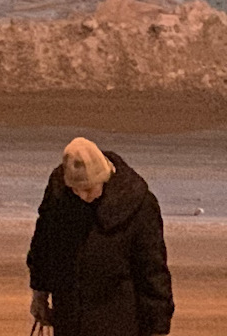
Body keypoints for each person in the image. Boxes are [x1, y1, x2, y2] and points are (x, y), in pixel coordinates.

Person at [28, 136, 173, 335]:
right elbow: (43, 246)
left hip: (119, 321)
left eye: (88, 189)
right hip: (69, 318)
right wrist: (39, 293)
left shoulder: (139, 204)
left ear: (104, 177)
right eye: (76, 190)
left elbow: (152, 271)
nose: (83, 196)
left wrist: (157, 327)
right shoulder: (59, 196)